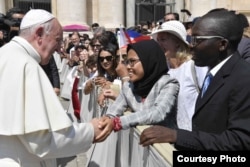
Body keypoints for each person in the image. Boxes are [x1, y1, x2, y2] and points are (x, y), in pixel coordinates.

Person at [0, 9, 102, 166]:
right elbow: (41, 143)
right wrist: (90, 131)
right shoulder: (28, 65)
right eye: (58, 40)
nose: (60, 48)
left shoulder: (4, 53)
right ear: (39, 34)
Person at [140, 9, 250, 151]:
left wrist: (178, 136)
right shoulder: (214, 73)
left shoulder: (243, 79)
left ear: (222, 44)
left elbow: (240, 141)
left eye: (197, 40)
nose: (191, 45)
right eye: (191, 39)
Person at [96, 39, 179, 141]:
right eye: (127, 62)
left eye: (132, 62)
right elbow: (115, 109)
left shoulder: (168, 84)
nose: (127, 66)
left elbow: (157, 113)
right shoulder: (129, 86)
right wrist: (106, 120)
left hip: (165, 151)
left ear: (148, 60)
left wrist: (118, 122)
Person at [150, 20, 208, 131]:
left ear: (177, 42)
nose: (159, 44)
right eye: (158, 41)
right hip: (169, 138)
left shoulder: (195, 67)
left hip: (193, 137)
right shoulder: (162, 70)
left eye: (163, 40)